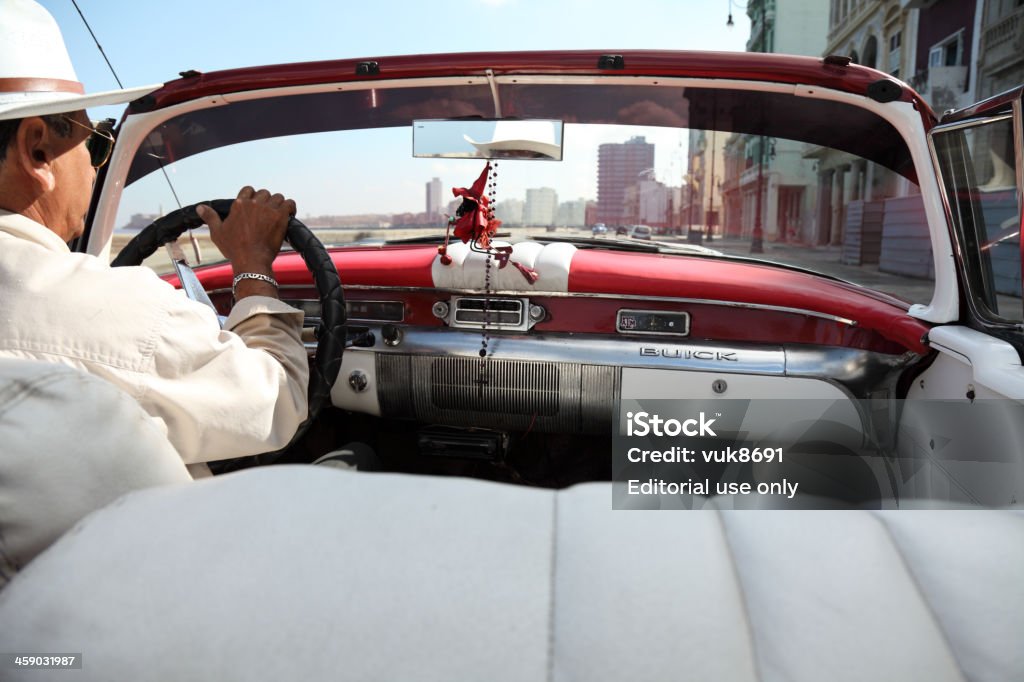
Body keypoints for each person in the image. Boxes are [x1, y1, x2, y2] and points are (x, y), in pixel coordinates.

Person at [0, 0, 309, 465]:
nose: (92, 166)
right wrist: (252, 268)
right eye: (97, 143)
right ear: (38, 149)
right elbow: (278, 402)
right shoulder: (121, 314)